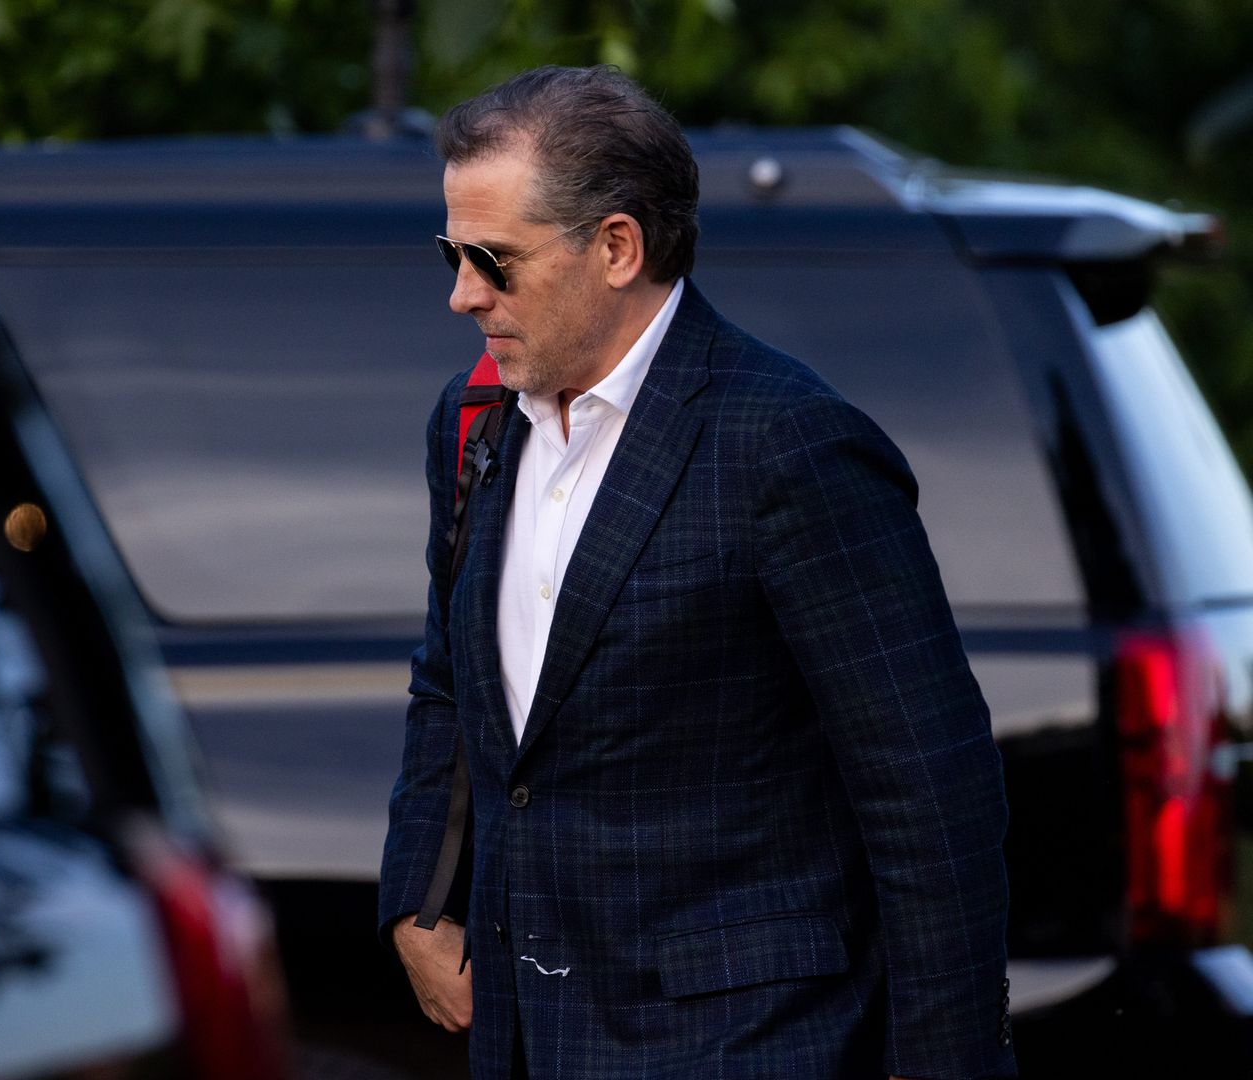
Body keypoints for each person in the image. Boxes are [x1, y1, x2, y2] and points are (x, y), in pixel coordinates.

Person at [378, 66, 1017, 1080]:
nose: (462, 294)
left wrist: (947, 1065)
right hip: (528, 1038)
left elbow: (930, 791)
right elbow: (449, 681)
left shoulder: (788, 445)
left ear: (618, 247)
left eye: (492, 260)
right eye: (452, 253)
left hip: (749, 1044)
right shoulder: (472, 423)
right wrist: (418, 892)